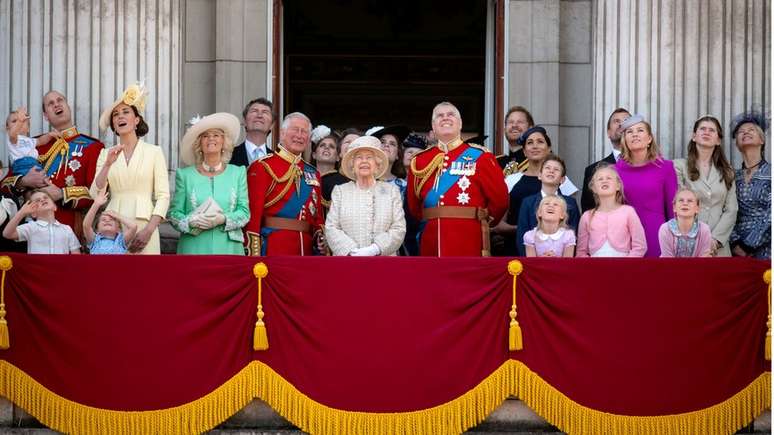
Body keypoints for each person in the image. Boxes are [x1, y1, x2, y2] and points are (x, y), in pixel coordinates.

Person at [407, 102, 508, 257]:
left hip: (469, 239)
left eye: (451, 114)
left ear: (460, 124)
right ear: (433, 127)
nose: (445, 118)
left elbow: (500, 200)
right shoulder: (420, 161)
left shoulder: (481, 157)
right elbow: (414, 206)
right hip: (430, 240)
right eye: (439, 116)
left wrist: (483, 222)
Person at [0, 91, 104, 237]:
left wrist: (62, 194)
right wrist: (23, 182)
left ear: (68, 107)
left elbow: (97, 192)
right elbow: (4, 185)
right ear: (45, 116)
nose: (56, 104)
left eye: (60, 100)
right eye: (50, 104)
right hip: (32, 229)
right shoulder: (32, 145)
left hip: (69, 227)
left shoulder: (92, 147)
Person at [90, 83, 170, 254]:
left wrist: (149, 230)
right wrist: (107, 164)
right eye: (116, 114)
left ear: (136, 120)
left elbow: (163, 196)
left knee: (147, 277)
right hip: (114, 227)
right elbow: (96, 194)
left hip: (145, 223)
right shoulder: (106, 154)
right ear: (113, 124)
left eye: (126, 112)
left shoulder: (154, 152)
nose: (120, 117)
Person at [168, 113, 250, 255]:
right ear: (199, 143)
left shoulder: (238, 173)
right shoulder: (185, 175)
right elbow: (174, 214)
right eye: (205, 136)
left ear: (224, 141)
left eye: (216, 135)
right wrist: (191, 221)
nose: (211, 139)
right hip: (193, 249)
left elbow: (244, 213)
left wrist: (223, 219)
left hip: (229, 249)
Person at [244, 112, 324, 256]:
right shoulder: (262, 166)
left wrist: (320, 238)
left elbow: (317, 217)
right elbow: (253, 215)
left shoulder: (313, 173)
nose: (299, 135)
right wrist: (252, 252)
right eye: (295, 129)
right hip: (274, 247)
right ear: (282, 133)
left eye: (304, 131)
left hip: (306, 251)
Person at [325, 136, 406, 256]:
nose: (364, 161)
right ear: (352, 164)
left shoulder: (392, 191)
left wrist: (375, 249)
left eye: (369, 158)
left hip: (384, 264)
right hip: (348, 263)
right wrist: (352, 251)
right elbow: (331, 228)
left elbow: (399, 228)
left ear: (377, 164)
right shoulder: (340, 191)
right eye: (358, 158)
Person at [673, 116, 737, 256]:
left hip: (718, 247)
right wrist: (699, 239)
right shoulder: (678, 166)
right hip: (688, 242)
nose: (706, 132)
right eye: (702, 129)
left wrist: (714, 240)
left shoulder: (727, 171)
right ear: (694, 136)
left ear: (718, 140)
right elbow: (680, 205)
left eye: (712, 130)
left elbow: (731, 210)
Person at [615, 114, 677, 257]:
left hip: (656, 235)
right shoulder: (615, 171)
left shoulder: (666, 168)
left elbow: (672, 209)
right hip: (624, 236)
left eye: (640, 130)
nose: (635, 134)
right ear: (625, 140)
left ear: (649, 139)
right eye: (630, 132)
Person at [516, 155, 580, 256]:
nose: (551, 171)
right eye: (547, 168)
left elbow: (575, 233)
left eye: (556, 169)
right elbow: (521, 235)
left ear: (562, 179)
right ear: (540, 175)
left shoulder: (570, 203)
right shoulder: (528, 202)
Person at [576, 165, 647, 257]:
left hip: (624, 268)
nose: (604, 181)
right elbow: (581, 252)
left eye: (609, 178)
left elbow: (640, 246)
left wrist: (627, 265)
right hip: (595, 268)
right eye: (600, 179)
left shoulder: (628, 212)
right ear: (593, 188)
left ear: (618, 186)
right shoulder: (586, 216)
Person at [728, 110, 770, 259]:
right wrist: (735, 243)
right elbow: (726, 210)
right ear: (737, 143)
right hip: (737, 251)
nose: (745, 133)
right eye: (741, 132)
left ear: (762, 140)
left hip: (767, 248)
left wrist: (749, 245)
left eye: (751, 130)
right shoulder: (732, 176)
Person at [581, 107, 631, 212]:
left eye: (626, 121)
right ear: (608, 133)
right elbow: (588, 210)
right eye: (616, 121)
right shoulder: (592, 170)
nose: (621, 124)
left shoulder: (650, 165)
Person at [2, 189, 80, 254]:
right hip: (37, 271)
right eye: (37, 200)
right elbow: (7, 234)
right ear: (33, 213)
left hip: (60, 271)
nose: (42, 200)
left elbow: (76, 257)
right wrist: (22, 213)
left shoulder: (66, 229)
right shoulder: (30, 227)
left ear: (55, 207)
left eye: (45, 197)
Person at [658, 188, 712, 257]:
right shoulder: (665, 229)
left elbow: (703, 260)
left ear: (697, 208)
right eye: (681, 200)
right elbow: (668, 261)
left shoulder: (704, 230)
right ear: (674, 207)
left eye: (690, 201)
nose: (685, 203)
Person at [82, 188, 137, 254]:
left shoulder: (121, 241)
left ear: (118, 229)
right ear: (97, 229)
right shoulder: (94, 240)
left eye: (112, 219)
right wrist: (96, 204)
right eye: (103, 219)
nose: (107, 221)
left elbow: (133, 226)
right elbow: (86, 225)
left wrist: (116, 215)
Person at [5, 107, 58, 175]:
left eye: (23, 121)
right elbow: (13, 133)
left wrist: (50, 135)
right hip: (21, 165)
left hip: (35, 164)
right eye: (14, 121)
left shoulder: (30, 140)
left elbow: (40, 141)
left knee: (44, 180)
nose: (19, 123)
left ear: (28, 129)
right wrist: (20, 121)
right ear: (7, 129)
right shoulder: (13, 138)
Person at [321, 128, 360, 210]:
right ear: (339, 155)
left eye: (357, 142)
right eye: (347, 142)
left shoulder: (375, 181)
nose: (352, 145)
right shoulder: (326, 181)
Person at [369, 125, 410, 197]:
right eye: (382, 142)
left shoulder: (405, 187)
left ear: (397, 155)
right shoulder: (362, 180)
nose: (387, 145)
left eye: (392, 144)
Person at [231, 98, 274, 167]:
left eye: (265, 112)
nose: (259, 115)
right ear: (245, 121)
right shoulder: (228, 156)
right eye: (254, 111)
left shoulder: (278, 160)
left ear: (271, 125)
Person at [497, 106, 534, 174]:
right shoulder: (495, 162)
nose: (514, 125)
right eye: (511, 122)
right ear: (505, 129)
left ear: (530, 129)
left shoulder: (539, 162)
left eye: (520, 122)